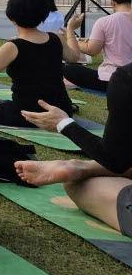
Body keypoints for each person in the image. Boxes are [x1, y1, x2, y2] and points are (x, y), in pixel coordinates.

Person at [15, 64, 132, 238]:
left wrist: (64, 124)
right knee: (80, 185)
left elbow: (115, 159)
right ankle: (84, 168)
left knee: (78, 186)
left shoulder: (126, 79)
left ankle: (84, 168)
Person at [0, 0, 82, 127]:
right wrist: (70, 31)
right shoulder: (55, 38)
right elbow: (74, 57)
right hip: (62, 111)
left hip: (27, 114)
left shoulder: (13, 47)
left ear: (10, 16)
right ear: (44, 14)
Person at [62, 0, 132, 93]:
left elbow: (92, 50)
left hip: (112, 79)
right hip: (123, 76)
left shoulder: (104, 22)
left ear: (112, 3)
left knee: (69, 69)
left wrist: (70, 35)